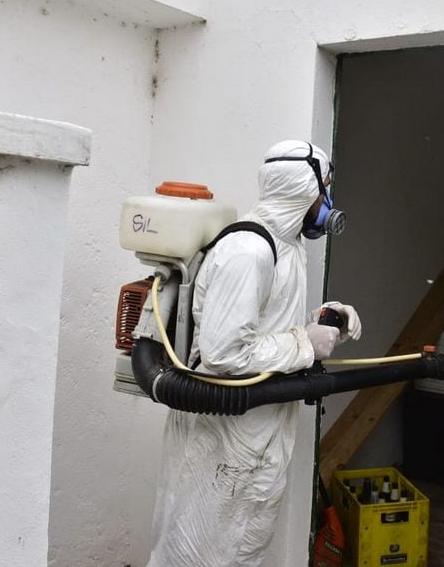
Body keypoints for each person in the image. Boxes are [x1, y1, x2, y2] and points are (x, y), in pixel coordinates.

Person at [147, 140, 362, 566]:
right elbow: (226, 352)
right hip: (224, 435)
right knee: (198, 553)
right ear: (304, 189)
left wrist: (320, 320)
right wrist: (305, 344)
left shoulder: (289, 247)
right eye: (325, 190)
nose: (328, 203)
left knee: (241, 550)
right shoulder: (249, 251)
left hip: (259, 432)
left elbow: (266, 331)